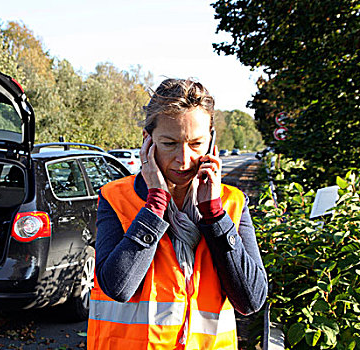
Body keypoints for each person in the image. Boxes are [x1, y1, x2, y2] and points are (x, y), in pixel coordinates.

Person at [87, 78, 268, 349]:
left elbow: (251, 300)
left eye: (196, 144)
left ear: (212, 142)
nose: (183, 160)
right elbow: (118, 288)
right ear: (148, 141)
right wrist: (155, 204)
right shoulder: (115, 197)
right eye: (169, 143)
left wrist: (215, 215)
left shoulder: (232, 203)